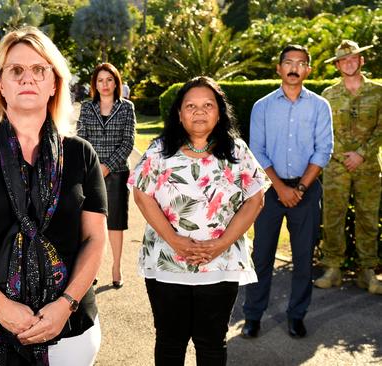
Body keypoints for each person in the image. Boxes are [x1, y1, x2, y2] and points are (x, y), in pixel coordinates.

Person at [0, 27, 107, 365]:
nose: (27, 78)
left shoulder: (81, 154)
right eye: (15, 70)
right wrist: (4, 310)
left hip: (69, 326)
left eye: (39, 70)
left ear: (54, 83)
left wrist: (65, 305)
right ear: (1, 84)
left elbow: (94, 240)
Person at [130, 76, 269, 365]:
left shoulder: (237, 151)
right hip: (168, 260)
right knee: (170, 341)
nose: (199, 111)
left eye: (208, 105)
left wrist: (221, 244)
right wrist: (175, 240)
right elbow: (142, 195)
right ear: (179, 114)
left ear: (219, 112)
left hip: (221, 263)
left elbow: (256, 199)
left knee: (212, 343)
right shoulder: (159, 150)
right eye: (190, 105)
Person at [242, 45, 334, 339]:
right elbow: (257, 151)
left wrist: (301, 188)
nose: (294, 68)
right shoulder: (262, 107)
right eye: (288, 62)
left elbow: (323, 151)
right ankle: (253, 317)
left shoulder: (320, 106)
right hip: (269, 191)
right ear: (279, 68)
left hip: (307, 189)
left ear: (308, 70)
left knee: (304, 258)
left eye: (300, 63)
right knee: (261, 256)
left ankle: (297, 315)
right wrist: (281, 188)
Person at [316, 40, 382, 295]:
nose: (349, 62)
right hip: (336, 166)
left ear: (361, 61)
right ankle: (332, 269)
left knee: (368, 217)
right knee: (332, 216)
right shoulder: (328, 96)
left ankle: (367, 272)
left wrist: (361, 154)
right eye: (344, 60)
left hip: (367, 167)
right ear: (337, 65)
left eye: (353, 58)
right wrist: (345, 155)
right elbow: (324, 132)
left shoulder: (378, 93)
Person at [77, 63, 135, 288]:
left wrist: (108, 166)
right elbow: (82, 138)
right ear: (95, 84)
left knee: (115, 223)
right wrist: (94, 167)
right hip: (90, 173)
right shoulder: (86, 107)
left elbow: (128, 141)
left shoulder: (127, 108)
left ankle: (116, 267)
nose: (105, 84)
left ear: (116, 82)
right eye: (100, 80)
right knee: (91, 222)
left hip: (117, 172)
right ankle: (91, 269)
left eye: (109, 80)